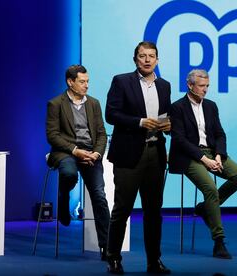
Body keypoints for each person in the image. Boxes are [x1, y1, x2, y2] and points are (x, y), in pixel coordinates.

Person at [105, 41, 171, 274]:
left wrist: (168, 126)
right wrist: (140, 122)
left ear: (157, 60)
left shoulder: (165, 86)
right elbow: (111, 114)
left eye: (151, 56)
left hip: (156, 153)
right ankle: (113, 257)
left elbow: (166, 116)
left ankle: (154, 260)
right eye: (142, 56)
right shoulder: (121, 81)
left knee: (154, 211)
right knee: (122, 209)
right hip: (128, 153)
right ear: (135, 59)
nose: (147, 60)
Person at [168, 69, 237, 259]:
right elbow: (179, 139)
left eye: (207, 86)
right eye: (202, 86)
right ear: (190, 85)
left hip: (211, 152)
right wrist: (204, 160)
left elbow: (219, 134)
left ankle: (205, 208)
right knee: (210, 188)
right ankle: (218, 241)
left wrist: (219, 155)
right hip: (188, 155)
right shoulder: (177, 107)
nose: (205, 90)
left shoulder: (211, 106)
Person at [46, 64, 110, 260]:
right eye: (82, 82)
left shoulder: (94, 103)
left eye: (88, 81)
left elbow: (101, 134)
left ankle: (107, 247)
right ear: (70, 82)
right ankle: (63, 196)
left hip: (91, 155)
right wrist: (75, 150)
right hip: (67, 151)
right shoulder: (56, 104)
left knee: (99, 195)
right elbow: (52, 135)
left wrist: (96, 154)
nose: (86, 86)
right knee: (69, 174)